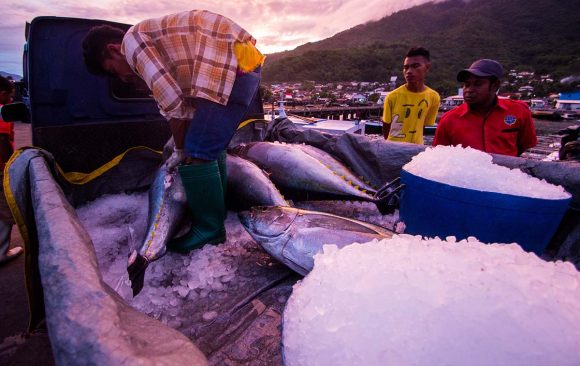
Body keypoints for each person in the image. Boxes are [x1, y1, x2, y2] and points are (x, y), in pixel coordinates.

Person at [82, 10, 265, 253]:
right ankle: (215, 215)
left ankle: (209, 230)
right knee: (210, 147)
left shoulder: (132, 43)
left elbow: (173, 105)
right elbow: (182, 105)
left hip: (227, 60)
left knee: (197, 150)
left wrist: (180, 149)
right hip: (245, 61)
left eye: (114, 70)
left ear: (114, 49)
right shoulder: (152, 40)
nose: (122, 77)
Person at [433, 59, 537, 156]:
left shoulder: (519, 111)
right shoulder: (448, 120)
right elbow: (440, 156)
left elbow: (524, 145)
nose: (469, 90)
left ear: (495, 86)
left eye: (478, 84)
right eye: (467, 84)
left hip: (506, 175)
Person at [382, 46, 440, 144]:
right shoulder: (392, 96)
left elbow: (423, 125)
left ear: (427, 67)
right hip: (393, 149)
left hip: (416, 150)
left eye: (415, 66)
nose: (409, 71)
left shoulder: (434, 97)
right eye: (406, 67)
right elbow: (386, 126)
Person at [0, 76, 23, 265]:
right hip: (0, 168)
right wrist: (10, 163)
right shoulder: (2, 113)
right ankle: (1, 251)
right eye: (10, 95)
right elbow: (3, 140)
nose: (11, 100)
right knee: (4, 210)